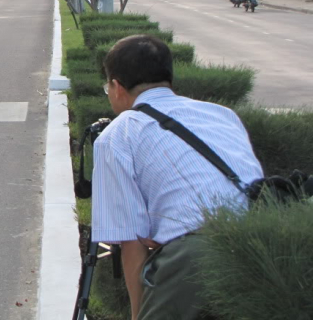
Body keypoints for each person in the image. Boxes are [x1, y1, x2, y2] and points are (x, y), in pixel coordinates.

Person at [92, 35, 263, 320]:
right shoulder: (222, 114)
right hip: (261, 240)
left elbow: (131, 242)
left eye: (107, 87)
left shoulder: (118, 134)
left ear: (117, 87)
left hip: (193, 256)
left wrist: (138, 315)